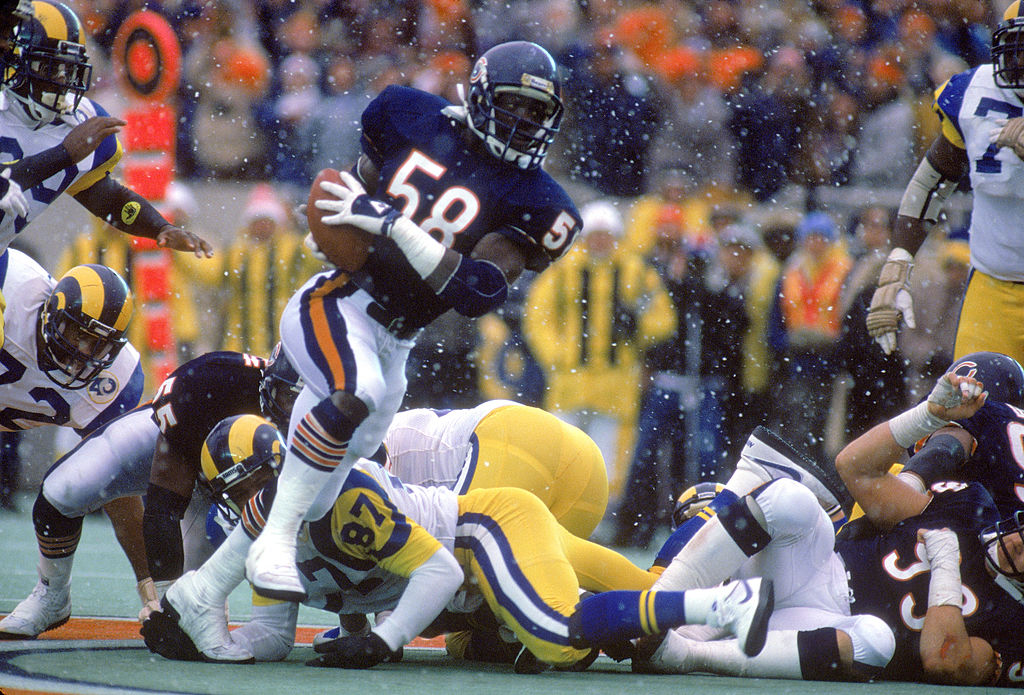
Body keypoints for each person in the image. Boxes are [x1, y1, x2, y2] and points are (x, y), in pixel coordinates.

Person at [245, 40, 582, 602]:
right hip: (346, 300)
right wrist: (336, 229)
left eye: (537, 111)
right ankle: (273, 545)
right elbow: (359, 184)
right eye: (513, 104)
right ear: (479, 96)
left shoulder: (537, 200)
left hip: (400, 340)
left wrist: (396, 226)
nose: (524, 120)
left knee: (322, 490)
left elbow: (476, 291)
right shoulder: (409, 116)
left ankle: (204, 589)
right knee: (352, 394)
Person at [144, 418, 775, 670]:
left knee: (557, 639)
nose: (264, 495)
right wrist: (219, 647)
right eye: (246, 488)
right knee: (644, 606)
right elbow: (273, 635)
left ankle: (724, 603)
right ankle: (728, 507)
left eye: (268, 478)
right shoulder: (265, 541)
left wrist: (383, 640)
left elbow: (439, 572)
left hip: (483, 531)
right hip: (477, 552)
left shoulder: (342, 499)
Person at [638, 371, 1024, 686]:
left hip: (829, 630)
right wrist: (929, 414)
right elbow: (855, 467)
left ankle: (683, 653)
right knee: (790, 498)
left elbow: (946, 662)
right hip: (817, 566)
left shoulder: (1016, 627)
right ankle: (653, 609)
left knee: (875, 642)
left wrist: (945, 570)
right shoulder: (971, 508)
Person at [0, 344, 302, 639]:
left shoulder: (321, 421)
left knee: (196, 615)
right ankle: (52, 594)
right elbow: (163, 506)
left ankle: (299, 621)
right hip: (183, 452)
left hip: (235, 494)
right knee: (62, 490)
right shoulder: (214, 380)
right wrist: (164, 595)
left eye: (302, 400)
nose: (293, 410)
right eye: (288, 396)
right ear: (268, 381)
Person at [866, 1, 1024, 365]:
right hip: (993, 289)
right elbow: (931, 183)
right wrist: (899, 262)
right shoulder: (976, 92)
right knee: (972, 395)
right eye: (1019, 48)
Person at [0, 250, 144, 638]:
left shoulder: (114, 378)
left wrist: (154, 590)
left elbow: (120, 491)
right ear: (52, 313)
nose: (84, 354)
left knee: (71, 486)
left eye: (99, 346)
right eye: (78, 334)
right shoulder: (12, 289)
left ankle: (52, 594)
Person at [523, 200, 675, 508]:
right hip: (571, 381)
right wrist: (556, 355)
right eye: (595, 235)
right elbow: (538, 316)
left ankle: (599, 514)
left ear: (616, 237)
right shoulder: (564, 270)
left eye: (606, 235)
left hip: (615, 384)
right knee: (563, 453)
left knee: (608, 459)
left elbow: (664, 320)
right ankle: (560, 510)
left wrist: (638, 327)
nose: (600, 241)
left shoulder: (636, 272)